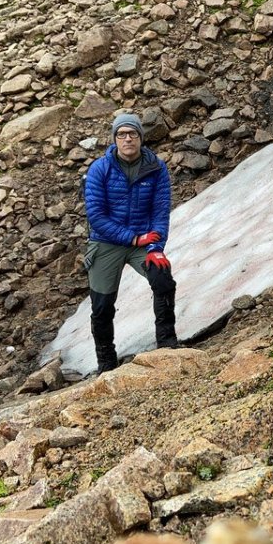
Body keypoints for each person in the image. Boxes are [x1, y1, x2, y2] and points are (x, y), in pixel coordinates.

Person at [82, 113, 178, 373]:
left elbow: (160, 212)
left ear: (140, 138)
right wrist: (133, 238)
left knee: (163, 280)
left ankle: (168, 344)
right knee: (102, 305)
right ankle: (106, 363)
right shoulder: (100, 169)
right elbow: (97, 217)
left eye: (132, 134)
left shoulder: (156, 167)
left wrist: (155, 248)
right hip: (106, 242)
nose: (127, 139)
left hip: (143, 241)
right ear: (114, 139)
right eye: (122, 134)